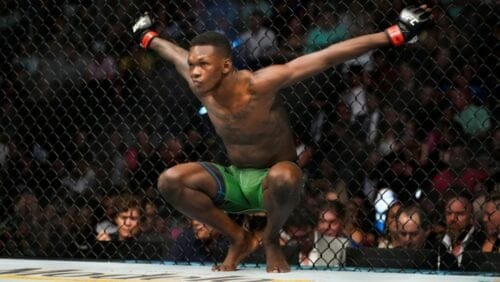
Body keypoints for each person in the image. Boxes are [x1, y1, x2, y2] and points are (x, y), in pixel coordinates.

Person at [131, 5, 433, 272]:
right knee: (169, 181)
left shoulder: (259, 85)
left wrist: (393, 34)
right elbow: (169, 50)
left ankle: (271, 239)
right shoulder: (199, 82)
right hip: (237, 178)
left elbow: (326, 56)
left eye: (203, 65)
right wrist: (146, 35)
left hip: (276, 180)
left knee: (284, 176)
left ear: (225, 66)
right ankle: (239, 237)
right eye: (193, 65)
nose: (194, 72)